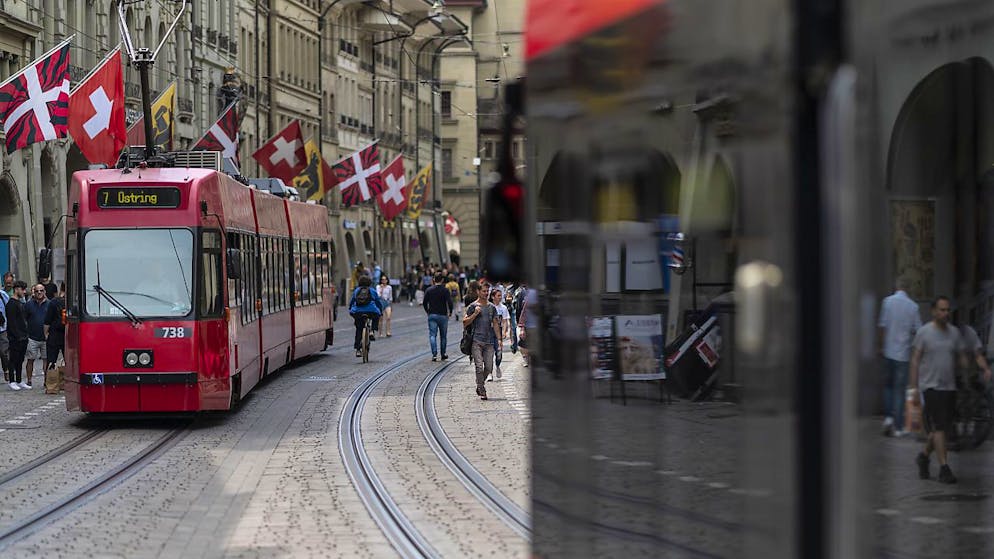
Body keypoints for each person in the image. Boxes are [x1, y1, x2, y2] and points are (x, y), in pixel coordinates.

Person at [908, 296, 969, 484]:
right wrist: (913, 386)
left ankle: (924, 456)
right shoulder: (924, 332)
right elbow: (915, 360)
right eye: (942, 310)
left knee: (941, 429)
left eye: (947, 310)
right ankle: (944, 468)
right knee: (940, 427)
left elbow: (960, 355)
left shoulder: (954, 333)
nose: (945, 313)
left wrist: (966, 366)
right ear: (934, 311)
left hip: (949, 386)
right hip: (931, 387)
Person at [877, 279, 923, 436]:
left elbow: (882, 326)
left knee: (888, 386)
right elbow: (919, 330)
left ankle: (888, 418)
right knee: (899, 389)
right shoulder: (913, 306)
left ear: (896, 287)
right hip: (902, 354)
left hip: (888, 351)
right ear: (907, 289)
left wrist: (881, 346)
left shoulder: (887, 302)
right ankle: (898, 426)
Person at [464, 281, 501, 400]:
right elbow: (465, 323)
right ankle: (481, 388)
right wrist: (475, 314)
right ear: (478, 292)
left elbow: (495, 324)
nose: (486, 293)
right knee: (479, 366)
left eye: (487, 291)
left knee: (489, 368)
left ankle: (479, 383)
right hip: (476, 341)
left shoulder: (491, 307)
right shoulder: (472, 307)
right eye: (484, 291)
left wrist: (499, 339)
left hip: (489, 342)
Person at [23, 283, 50, 388]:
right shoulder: (29, 305)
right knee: (30, 360)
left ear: (45, 292)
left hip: (46, 338)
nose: (39, 293)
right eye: (37, 291)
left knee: (46, 360)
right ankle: (29, 381)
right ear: (34, 292)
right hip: (32, 337)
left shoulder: (49, 304)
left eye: (41, 290)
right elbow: (24, 319)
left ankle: (46, 381)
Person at [349, 275, 383, 358]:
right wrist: (380, 311)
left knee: (359, 329)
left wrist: (351, 309)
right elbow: (378, 302)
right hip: (371, 311)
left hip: (358, 312)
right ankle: (372, 331)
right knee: (377, 315)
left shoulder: (357, 290)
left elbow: (352, 301)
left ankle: (358, 350)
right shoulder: (372, 290)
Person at [423, 272, 454, 361]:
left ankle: (434, 354)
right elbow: (449, 302)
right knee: (443, 336)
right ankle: (443, 353)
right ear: (442, 280)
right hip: (443, 315)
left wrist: (428, 311)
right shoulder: (445, 290)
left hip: (432, 315)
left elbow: (425, 302)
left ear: (433, 279)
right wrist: (450, 311)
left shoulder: (429, 290)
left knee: (432, 335)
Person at [44, 282, 66, 394]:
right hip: (67, 335)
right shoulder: (72, 302)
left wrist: (46, 333)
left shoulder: (53, 302)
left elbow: (47, 321)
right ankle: (65, 383)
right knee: (67, 360)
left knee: (52, 360)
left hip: (54, 334)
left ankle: (50, 385)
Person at [5, 281, 28, 390]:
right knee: (13, 359)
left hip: (23, 336)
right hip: (15, 337)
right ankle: (12, 380)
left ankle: (19, 380)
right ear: (16, 289)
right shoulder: (11, 304)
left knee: (20, 359)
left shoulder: (20, 303)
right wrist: (17, 336)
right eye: (22, 289)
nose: (24, 292)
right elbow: (12, 322)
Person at [489, 287, 510, 381]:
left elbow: (505, 321)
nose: (500, 297)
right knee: (489, 354)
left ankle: (497, 366)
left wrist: (504, 331)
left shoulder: (503, 308)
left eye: (501, 295)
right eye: (498, 296)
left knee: (499, 354)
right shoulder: (489, 307)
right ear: (493, 297)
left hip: (499, 334)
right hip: (489, 333)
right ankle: (489, 373)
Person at [0, 283, 9, 383]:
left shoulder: (3, 295)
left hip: (3, 328)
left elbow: (9, 308)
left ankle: (6, 370)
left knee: (4, 351)